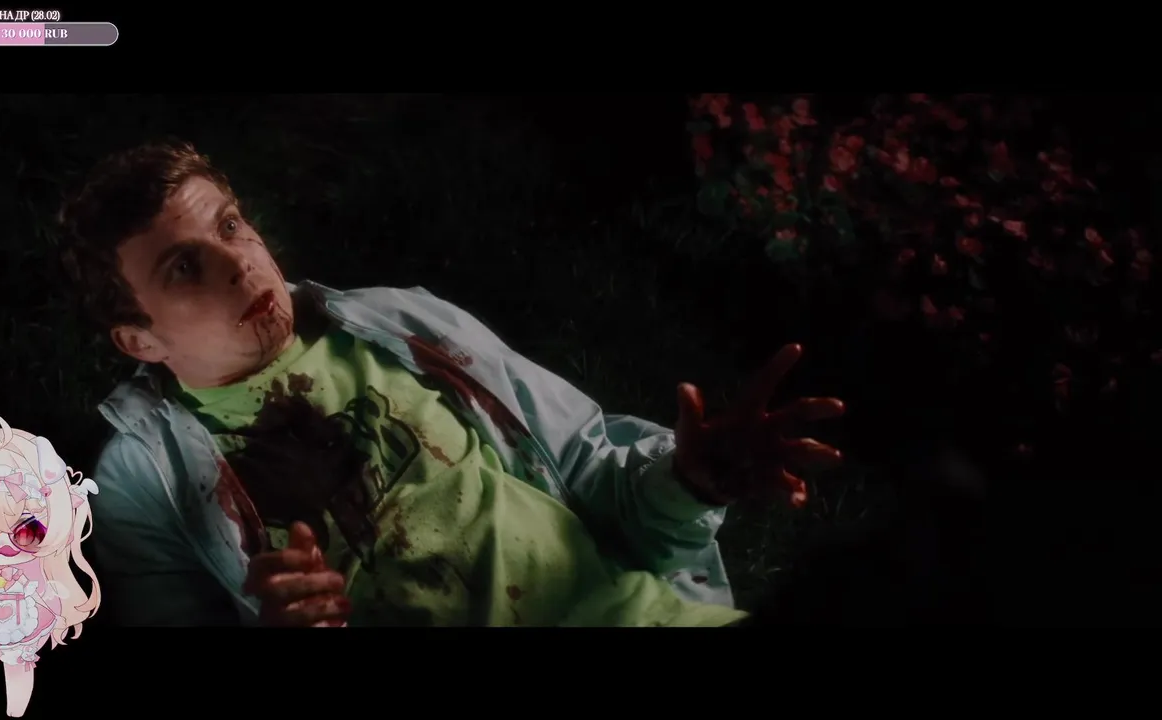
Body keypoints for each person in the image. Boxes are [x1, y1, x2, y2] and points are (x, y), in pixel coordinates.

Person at [60, 140, 845, 627]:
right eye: (185, 268)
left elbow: (591, 470)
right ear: (139, 339)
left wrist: (688, 482)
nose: (238, 263)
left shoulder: (404, 324)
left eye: (231, 224)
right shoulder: (144, 484)